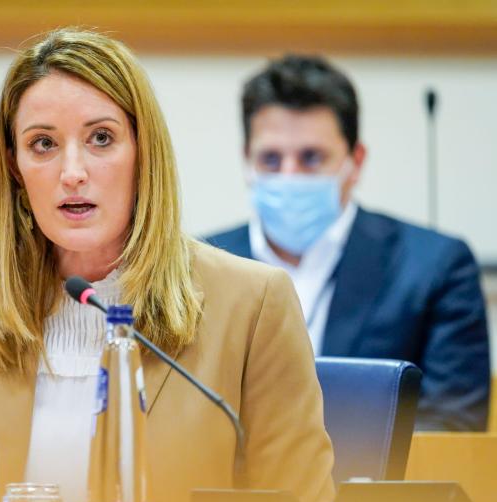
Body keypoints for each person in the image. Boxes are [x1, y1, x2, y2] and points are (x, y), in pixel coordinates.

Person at [0, 29, 333, 502]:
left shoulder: (252, 303)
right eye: (42, 143)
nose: (72, 172)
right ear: (15, 167)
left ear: (143, 152)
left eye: (101, 138)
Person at [205, 54, 491, 432]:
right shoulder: (199, 267)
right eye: (271, 159)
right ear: (246, 162)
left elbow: (451, 427)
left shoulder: (435, 266)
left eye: (311, 158)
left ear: (355, 161)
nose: (289, 176)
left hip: (376, 490)